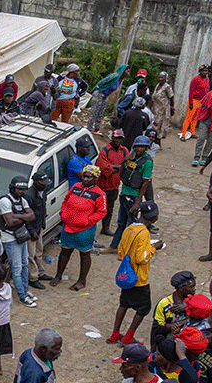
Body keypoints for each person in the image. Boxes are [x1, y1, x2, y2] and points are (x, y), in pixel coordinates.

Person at [106, 200, 162, 346]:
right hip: (139, 278)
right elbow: (141, 258)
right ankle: (128, 337)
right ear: (153, 217)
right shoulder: (144, 233)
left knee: (123, 304)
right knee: (144, 309)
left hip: (126, 276)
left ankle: (115, 334)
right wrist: (154, 248)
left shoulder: (129, 228)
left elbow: (120, 251)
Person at [53, 165, 106, 291]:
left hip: (84, 230)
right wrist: (63, 214)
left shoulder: (99, 194)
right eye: (84, 176)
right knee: (65, 251)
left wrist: (87, 221)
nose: (86, 179)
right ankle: (58, 275)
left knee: (84, 254)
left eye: (89, 177)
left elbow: (101, 212)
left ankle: (82, 281)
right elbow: (66, 200)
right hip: (68, 226)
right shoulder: (75, 187)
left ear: (95, 178)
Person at [0, 175, 38, 307]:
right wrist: (24, 217)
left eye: (23, 189)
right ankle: (22, 296)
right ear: (12, 188)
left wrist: (17, 216)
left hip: (20, 236)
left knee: (25, 265)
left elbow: (32, 216)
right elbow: (9, 221)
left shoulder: (22, 200)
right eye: (18, 189)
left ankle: (25, 290)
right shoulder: (5, 201)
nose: (21, 192)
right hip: (10, 238)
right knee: (17, 268)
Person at [109, 137, 154, 252]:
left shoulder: (147, 161)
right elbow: (121, 174)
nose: (140, 149)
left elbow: (145, 183)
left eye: (143, 147)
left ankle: (127, 251)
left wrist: (138, 202)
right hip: (124, 193)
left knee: (131, 226)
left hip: (134, 197)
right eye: (138, 146)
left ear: (146, 148)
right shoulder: (130, 158)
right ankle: (114, 247)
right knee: (121, 223)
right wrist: (124, 160)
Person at [86, 63, 129, 133]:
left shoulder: (120, 80)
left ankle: (97, 128)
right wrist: (94, 89)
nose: (128, 73)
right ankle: (88, 129)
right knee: (94, 112)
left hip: (105, 96)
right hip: (99, 93)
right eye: (127, 71)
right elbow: (102, 82)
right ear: (123, 70)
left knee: (101, 112)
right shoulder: (115, 76)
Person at [179, 65, 210, 141]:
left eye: (206, 71)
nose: (204, 72)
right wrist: (190, 103)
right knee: (188, 118)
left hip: (201, 101)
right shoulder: (195, 79)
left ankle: (192, 133)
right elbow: (191, 91)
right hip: (194, 100)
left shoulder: (207, 79)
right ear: (200, 71)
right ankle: (183, 134)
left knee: (195, 118)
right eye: (203, 71)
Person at [150, 71, 175, 141]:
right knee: (155, 125)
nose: (160, 79)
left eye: (162, 77)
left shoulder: (167, 87)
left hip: (163, 110)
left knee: (160, 126)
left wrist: (172, 107)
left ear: (165, 78)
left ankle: (157, 142)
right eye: (159, 77)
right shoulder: (157, 85)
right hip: (156, 109)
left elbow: (171, 97)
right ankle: (155, 141)